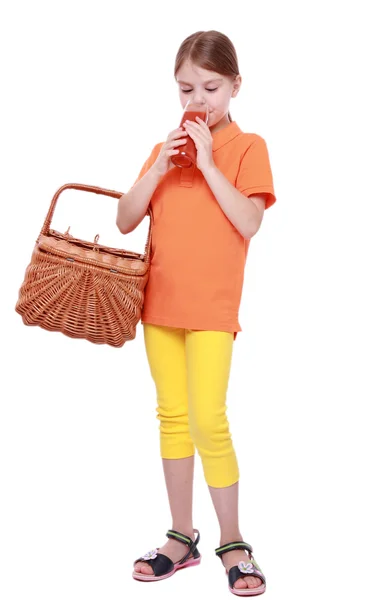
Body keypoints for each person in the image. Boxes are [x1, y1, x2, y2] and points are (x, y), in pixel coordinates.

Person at [116, 30, 276, 596]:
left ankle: (232, 541)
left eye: (211, 87)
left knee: (209, 418)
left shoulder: (247, 147)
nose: (198, 101)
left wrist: (208, 163)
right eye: (186, 89)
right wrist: (160, 165)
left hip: (211, 309)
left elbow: (250, 222)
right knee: (173, 416)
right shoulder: (164, 147)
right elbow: (125, 219)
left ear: (235, 85)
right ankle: (181, 537)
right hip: (159, 306)